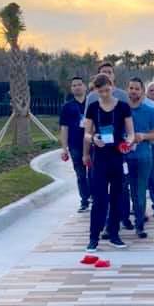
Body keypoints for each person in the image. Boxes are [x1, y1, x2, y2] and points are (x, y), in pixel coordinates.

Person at [83, 73, 134, 250]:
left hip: (118, 157)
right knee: (99, 199)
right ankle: (93, 238)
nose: (105, 93)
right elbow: (87, 133)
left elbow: (131, 132)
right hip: (100, 159)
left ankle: (114, 234)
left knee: (117, 197)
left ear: (112, 86)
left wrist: (129, 141)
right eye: (101, 91)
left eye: (107, 89)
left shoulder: (123, 107)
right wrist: (93, 139)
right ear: (96, 90)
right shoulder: (93, 107)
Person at [126, 77, 154, 239]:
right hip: (124, 158)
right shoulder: (121, 110)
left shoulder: (149, 110)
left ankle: (139, 225)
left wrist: (143, 136)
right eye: (131, 88)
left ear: (142, 91)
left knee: (139, 192)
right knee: (123, 192)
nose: (133, 91)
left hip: (143, 157)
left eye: (136, 88)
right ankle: (116, 222)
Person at [59, 76, 91, 212]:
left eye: (79, 84)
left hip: (92, 144)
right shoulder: (67, 107)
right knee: (80, 174)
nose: (77, 87)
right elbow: (64, 128)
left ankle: (96, 197)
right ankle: (84, 200)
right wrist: (64, 148)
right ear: (71, 89)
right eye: (74, 85)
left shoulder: (92, 103)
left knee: (94, 173)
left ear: (85, 87)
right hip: (75, 145)